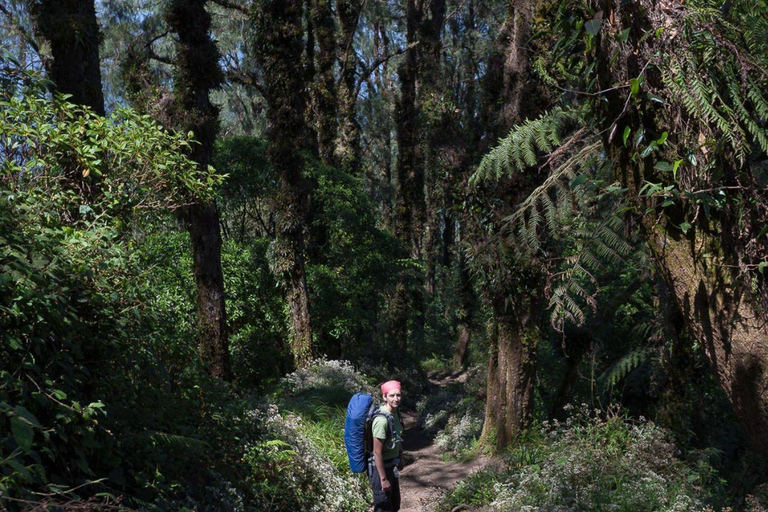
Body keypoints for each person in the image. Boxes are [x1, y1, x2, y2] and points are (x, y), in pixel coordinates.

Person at [369, 380, 404, 512]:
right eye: (392, 395)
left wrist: (401, 457)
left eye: (398, 395)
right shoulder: (381, 420)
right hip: (380, 470)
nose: (396, 399)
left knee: (394, 505)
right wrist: (383, 479)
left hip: (392, 466)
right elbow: (377, 452)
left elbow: (397, 438)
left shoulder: (396, 414)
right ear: (384, 397)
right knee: (383, 507)